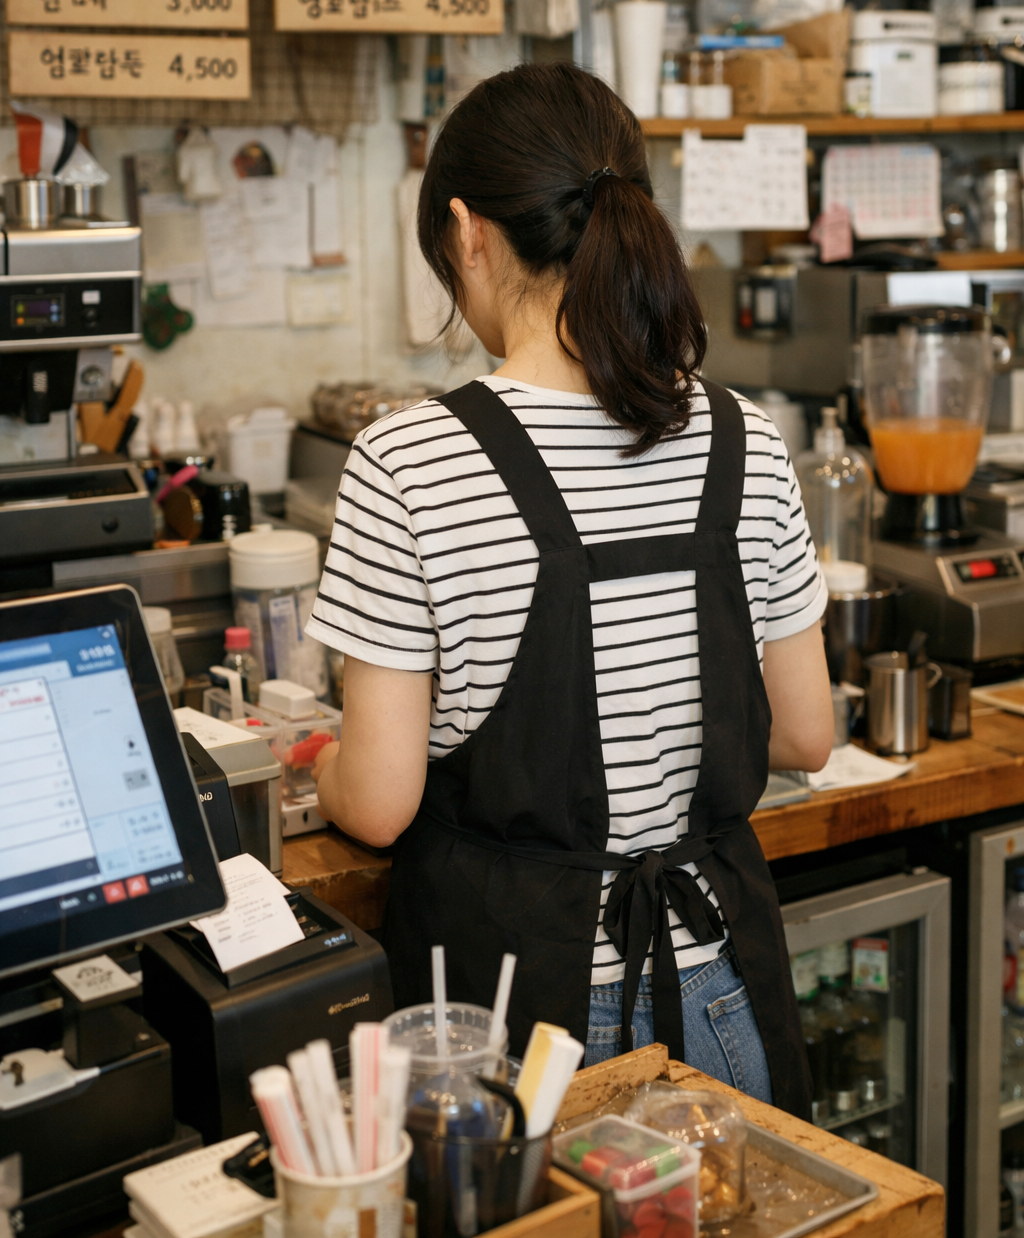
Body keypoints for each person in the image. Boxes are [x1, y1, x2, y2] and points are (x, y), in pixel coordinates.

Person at [309, 62, 833, 1117]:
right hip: (723, 995)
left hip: (524, 1030)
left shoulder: (408, 458)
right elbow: (805, 733)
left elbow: (375, 804)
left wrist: (320, 763)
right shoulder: (743, 437)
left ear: (466, 232)